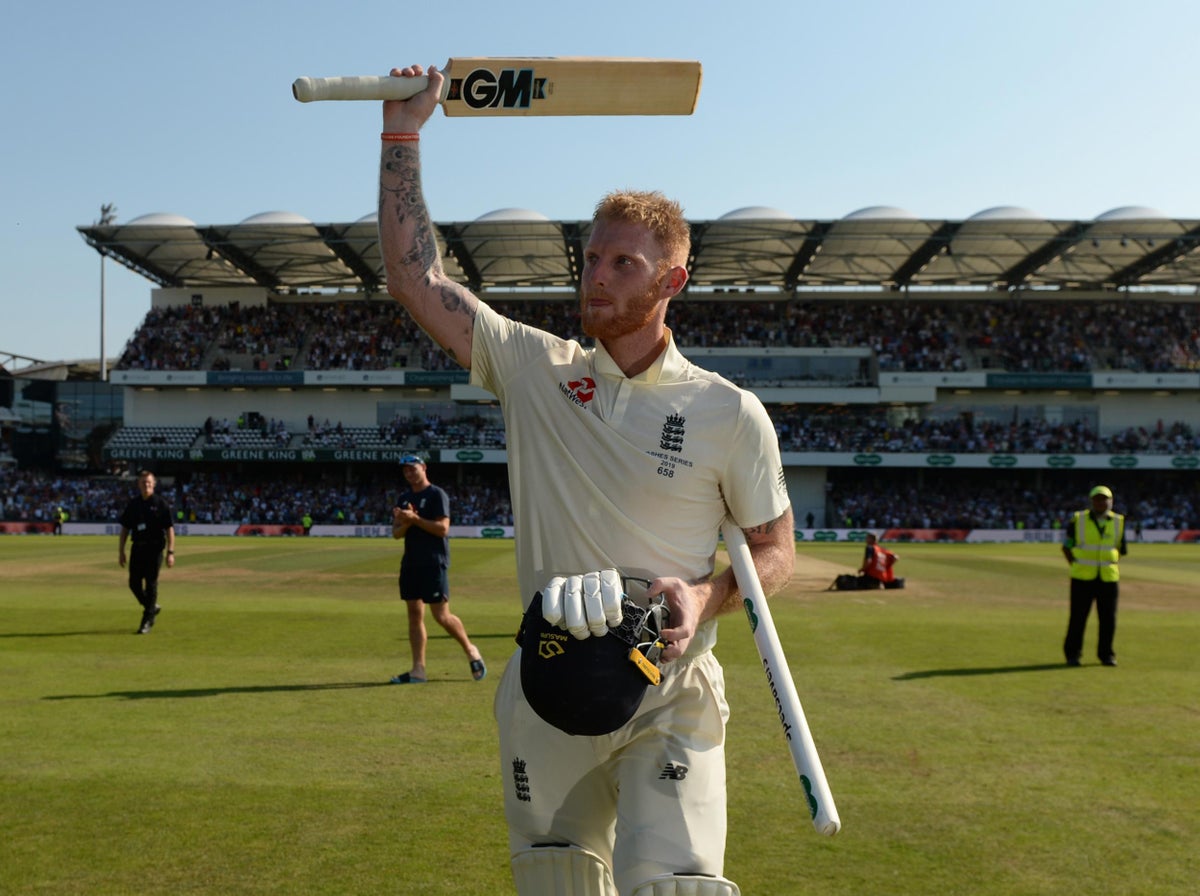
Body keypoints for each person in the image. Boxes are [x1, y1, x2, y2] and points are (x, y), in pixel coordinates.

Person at [378, 64, 795, 896]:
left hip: (667, 686)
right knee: (557, 885)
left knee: (674, 887)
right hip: (550, 680)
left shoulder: (729, 412)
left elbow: (773, 551)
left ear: (672, 283)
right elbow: (414, 280)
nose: (596, 274)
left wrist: (702, 600)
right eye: (592, 256)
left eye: (624, 264)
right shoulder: (536, 369)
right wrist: (402, 136)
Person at [389, 454, 486, 685]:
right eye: (406, 471)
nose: (409, 473)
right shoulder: (404, 497)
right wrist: (405, 521)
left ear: (423, 468)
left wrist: (414, 518)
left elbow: (443, 529)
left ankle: (471, 650)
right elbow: (395, 533)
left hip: (433, 561)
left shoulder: (436, 495)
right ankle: (418, 670)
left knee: (441, 616)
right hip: (411, 562)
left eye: (413, 469)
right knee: (414, 615)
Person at [1061, 484, 1126, 667]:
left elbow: (1120, 549)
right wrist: (1076, 565)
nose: (1101, 502)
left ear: (1111, 501)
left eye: (1105, 499)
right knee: (1078, 618)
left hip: (1108, 577)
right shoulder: (1078, 520)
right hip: (1082, 577)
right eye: (1097, 499)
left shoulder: (1118, 521)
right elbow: (1066, 547)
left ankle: (1106, 655)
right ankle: (1073, 655)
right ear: (1091, 501)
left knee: (1108, 619)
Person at [117, 470, 176, 634]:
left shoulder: (161, 504)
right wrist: (121, 551)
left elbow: (169, 529)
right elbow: (125, 529)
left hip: (155, 548)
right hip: (138, 547)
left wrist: (171, 552)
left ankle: (146, 620)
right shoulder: (134, 504)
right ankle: (151, 607)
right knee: (134, 584)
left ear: (154, 484)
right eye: (143, 482)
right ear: (138, 484)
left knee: (151, 584)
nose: (146, 485)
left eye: (149, 482)